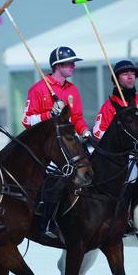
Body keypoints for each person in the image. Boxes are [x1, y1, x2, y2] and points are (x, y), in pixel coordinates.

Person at [22, 46, 91, 238]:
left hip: (69, 143)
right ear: (58, 65)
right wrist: (48, 115)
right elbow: (27, 121)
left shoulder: (73, 90)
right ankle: (47, 223)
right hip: (47, 146)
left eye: (73, 63)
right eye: (70, 63)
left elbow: (77, 117)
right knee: (59, 176)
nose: (73, 67)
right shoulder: (38, 89)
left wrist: (84, 130)